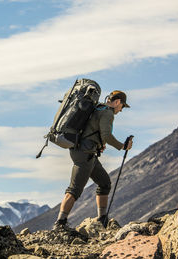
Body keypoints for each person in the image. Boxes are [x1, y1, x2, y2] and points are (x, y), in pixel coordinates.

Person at [53, 90, 133, 230]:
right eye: (122, 106)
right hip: (85, 155)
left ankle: (102, 219)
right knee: (74, 189)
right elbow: (106, 135)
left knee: (104, 183)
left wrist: (99, 144)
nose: (121, 110)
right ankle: (60, 223)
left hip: (86, 152)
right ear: (118, 102)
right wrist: (122, 146)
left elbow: (94, 131)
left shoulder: (98, 108)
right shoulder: (107, 112)